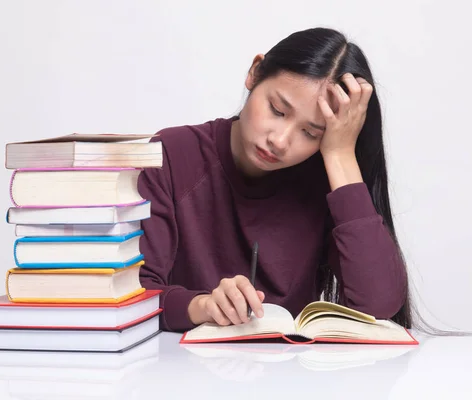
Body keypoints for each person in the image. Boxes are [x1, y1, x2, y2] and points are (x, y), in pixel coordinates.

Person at [136, 27, 412, 333]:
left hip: (290, 374)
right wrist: (203, 306)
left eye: (310, 133)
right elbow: (133, 294)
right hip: (175, 372)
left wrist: (341, 156)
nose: (280, 141)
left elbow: (380, 304)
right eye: (277, 110)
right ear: (255, 73)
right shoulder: (172, 155)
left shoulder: (326, 181)